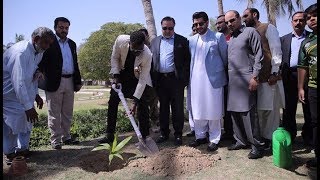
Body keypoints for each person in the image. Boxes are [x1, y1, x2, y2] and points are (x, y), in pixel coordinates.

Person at [3, 27, 55, 164]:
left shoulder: (39, 51)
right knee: (12, 124)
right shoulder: (20, 52)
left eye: (50, 44)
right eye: (46, 43)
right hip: (9, 95)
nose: (48, 47)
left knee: (27, 122)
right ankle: (10, 154)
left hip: (23, 94)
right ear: (36, 39)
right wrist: (28, 106)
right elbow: (18, 81)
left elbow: (32, 75)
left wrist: (36, 95)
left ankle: (23, 150)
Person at [99, 30, 153, 144]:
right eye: (135, 50)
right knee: (113, 101)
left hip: (136, 78)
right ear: (130, 43)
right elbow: (114, 58)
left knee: (143, 104)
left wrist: (134, 101)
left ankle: (145, 136)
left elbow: (143, 79)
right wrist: (116, 76)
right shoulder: (121, 40)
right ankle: (109, 134)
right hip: (122, 75)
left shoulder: (147, 54)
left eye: (140, 50)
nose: (137, 52)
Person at [242, 8, 285, 150]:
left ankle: (271, 139)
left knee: (270, 111)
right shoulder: (246, 32)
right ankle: (262, 139)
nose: (244, 19)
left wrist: (274, 72)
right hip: (255, 79)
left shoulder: (268, 28)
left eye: (246, 16)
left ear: (254, 15)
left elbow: (276, 50)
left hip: (269, 78)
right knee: (259, 111)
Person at [38, 17, 83, 150]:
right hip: (53, 82)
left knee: (67, 112)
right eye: (61, 27)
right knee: (54, 113)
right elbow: (42, 61)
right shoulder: (49, 43)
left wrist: (77, 81)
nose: (64, 30)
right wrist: (39, 71)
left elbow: (75, 63)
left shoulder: (72, 44)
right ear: (55, 28)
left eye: (66, 28)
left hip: (70, 81)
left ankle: (66, 137)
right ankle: (56, 141)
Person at [225, 10, 264, 159]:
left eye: (232, 20)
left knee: (249, 114)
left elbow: (259, 55)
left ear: (239, 18)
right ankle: (240, 141)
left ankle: (257, 146)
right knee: (235, 112)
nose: (230, 24)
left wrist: (255, 77)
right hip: (233, 80)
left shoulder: (250, 32)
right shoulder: (231, 37)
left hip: (247, 78)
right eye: (227, 22)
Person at [187, 11, 228, 152]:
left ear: (207, 23)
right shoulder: (191, 40)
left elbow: (225, 58)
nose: (198, 26)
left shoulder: (218, 37)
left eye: (201, 23)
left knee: (213, 109)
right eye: (195, 24)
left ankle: (214, 138)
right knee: (198, 109)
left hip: (213, 80)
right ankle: (200, 136)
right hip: (196, 80)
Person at [150, 16, 191, 146]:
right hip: (161, 80)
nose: (167, 30)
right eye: (164, 28)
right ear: (161, 27)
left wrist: (183, 79)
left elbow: (187, 61)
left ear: (174, 27)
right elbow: (152, 61)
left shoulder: (182, 41)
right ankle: (164, 133)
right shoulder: (155, 42)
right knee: (163, 109)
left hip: (176, 80)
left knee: (177, 108)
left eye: (170, 28)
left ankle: (178, 134)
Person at [280, 11, 313, 145]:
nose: (298, 23)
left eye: (301, 20)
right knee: (288, 109)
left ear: (305, 22)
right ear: (291, 22)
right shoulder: (284, 39)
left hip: (307, 76)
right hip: (289, 77)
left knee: (308, 108)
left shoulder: (311, 38)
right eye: (295, 20)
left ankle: (308, 137)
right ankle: (290, 137)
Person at [297, 3, 317, 169]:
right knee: (315, 122)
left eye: (315, 16)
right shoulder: (307, 42)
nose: (312, 20)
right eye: (309, 18)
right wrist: (301, 88)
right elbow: (303, 67)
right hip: (313, 88)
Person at [138, 28, 160, 133]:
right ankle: (142, 126)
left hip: (152, 81)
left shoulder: (153, 48)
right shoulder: (137, 48)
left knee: (153, 104)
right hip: (140, 82)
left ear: (147, 36)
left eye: (143, 36)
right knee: (141, 105)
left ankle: (155, 123)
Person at [215, 14, 233, 141]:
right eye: (217, 23)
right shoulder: (216, 38)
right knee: (224, 105)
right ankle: (228, 131)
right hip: (222, 77)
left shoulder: (235, 37)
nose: (218, 25)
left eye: (221, 22)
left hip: (236, 76)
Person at [185, 24, 198, 137]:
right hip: (190, 78)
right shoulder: (189, 42)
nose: (196, 31)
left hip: (201, 79)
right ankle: (193, 128)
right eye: (194, 29)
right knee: (191, 105)